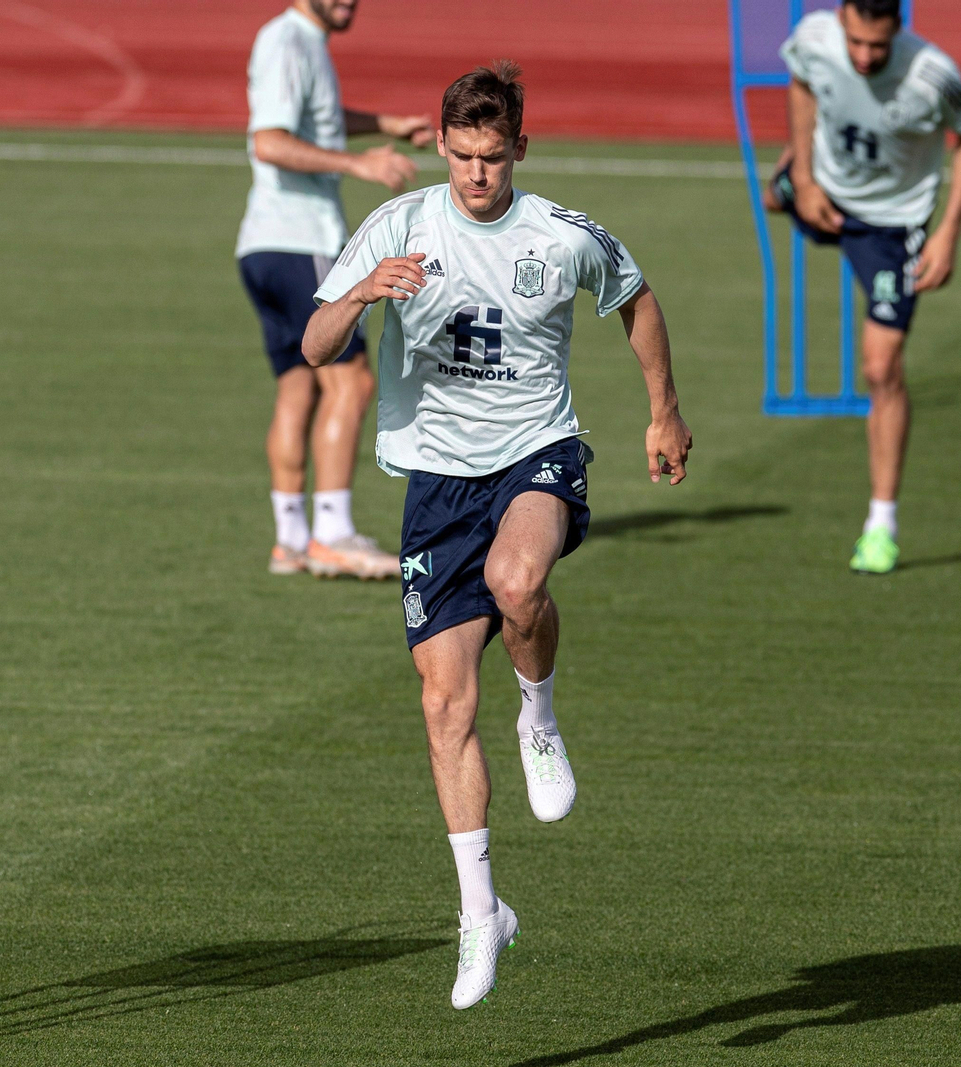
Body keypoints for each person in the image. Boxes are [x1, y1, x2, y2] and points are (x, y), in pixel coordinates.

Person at [303, 61, 692, 1008]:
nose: (478, 174)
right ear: (440, 146)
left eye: (494, 156)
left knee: (519, 583)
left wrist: (662, 412)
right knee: (442, 705)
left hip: (536, 452)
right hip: (437, 483)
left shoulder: (561, 237)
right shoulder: (397, 227)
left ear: (521, 145)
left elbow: (636, 299)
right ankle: (483, 913)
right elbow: (312, 345)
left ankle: (541, 714)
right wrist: (361, 296)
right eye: (463, 156)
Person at [764, 0, 961, 574]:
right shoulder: (813, 37)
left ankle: (880, 524)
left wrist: (947, 234)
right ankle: (795, 179)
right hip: (828, 193)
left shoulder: (932, 74)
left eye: (878, 47)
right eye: (856, 43)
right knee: (772, 194)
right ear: (841, 20)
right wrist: (806, 175)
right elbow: (803, 82)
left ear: (899, 31)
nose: (865, 57)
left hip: (892, 224)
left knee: (881, 367)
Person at [237, 0, 434, 579]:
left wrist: (385, 124)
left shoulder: (300, 42)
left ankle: (291, 538)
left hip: (265, 246)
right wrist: (359, 165)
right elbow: (269, 141)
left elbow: (310, 121)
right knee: (351, 380)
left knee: (300, 387)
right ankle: (333, 532)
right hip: (302, 240)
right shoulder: (288, 42)